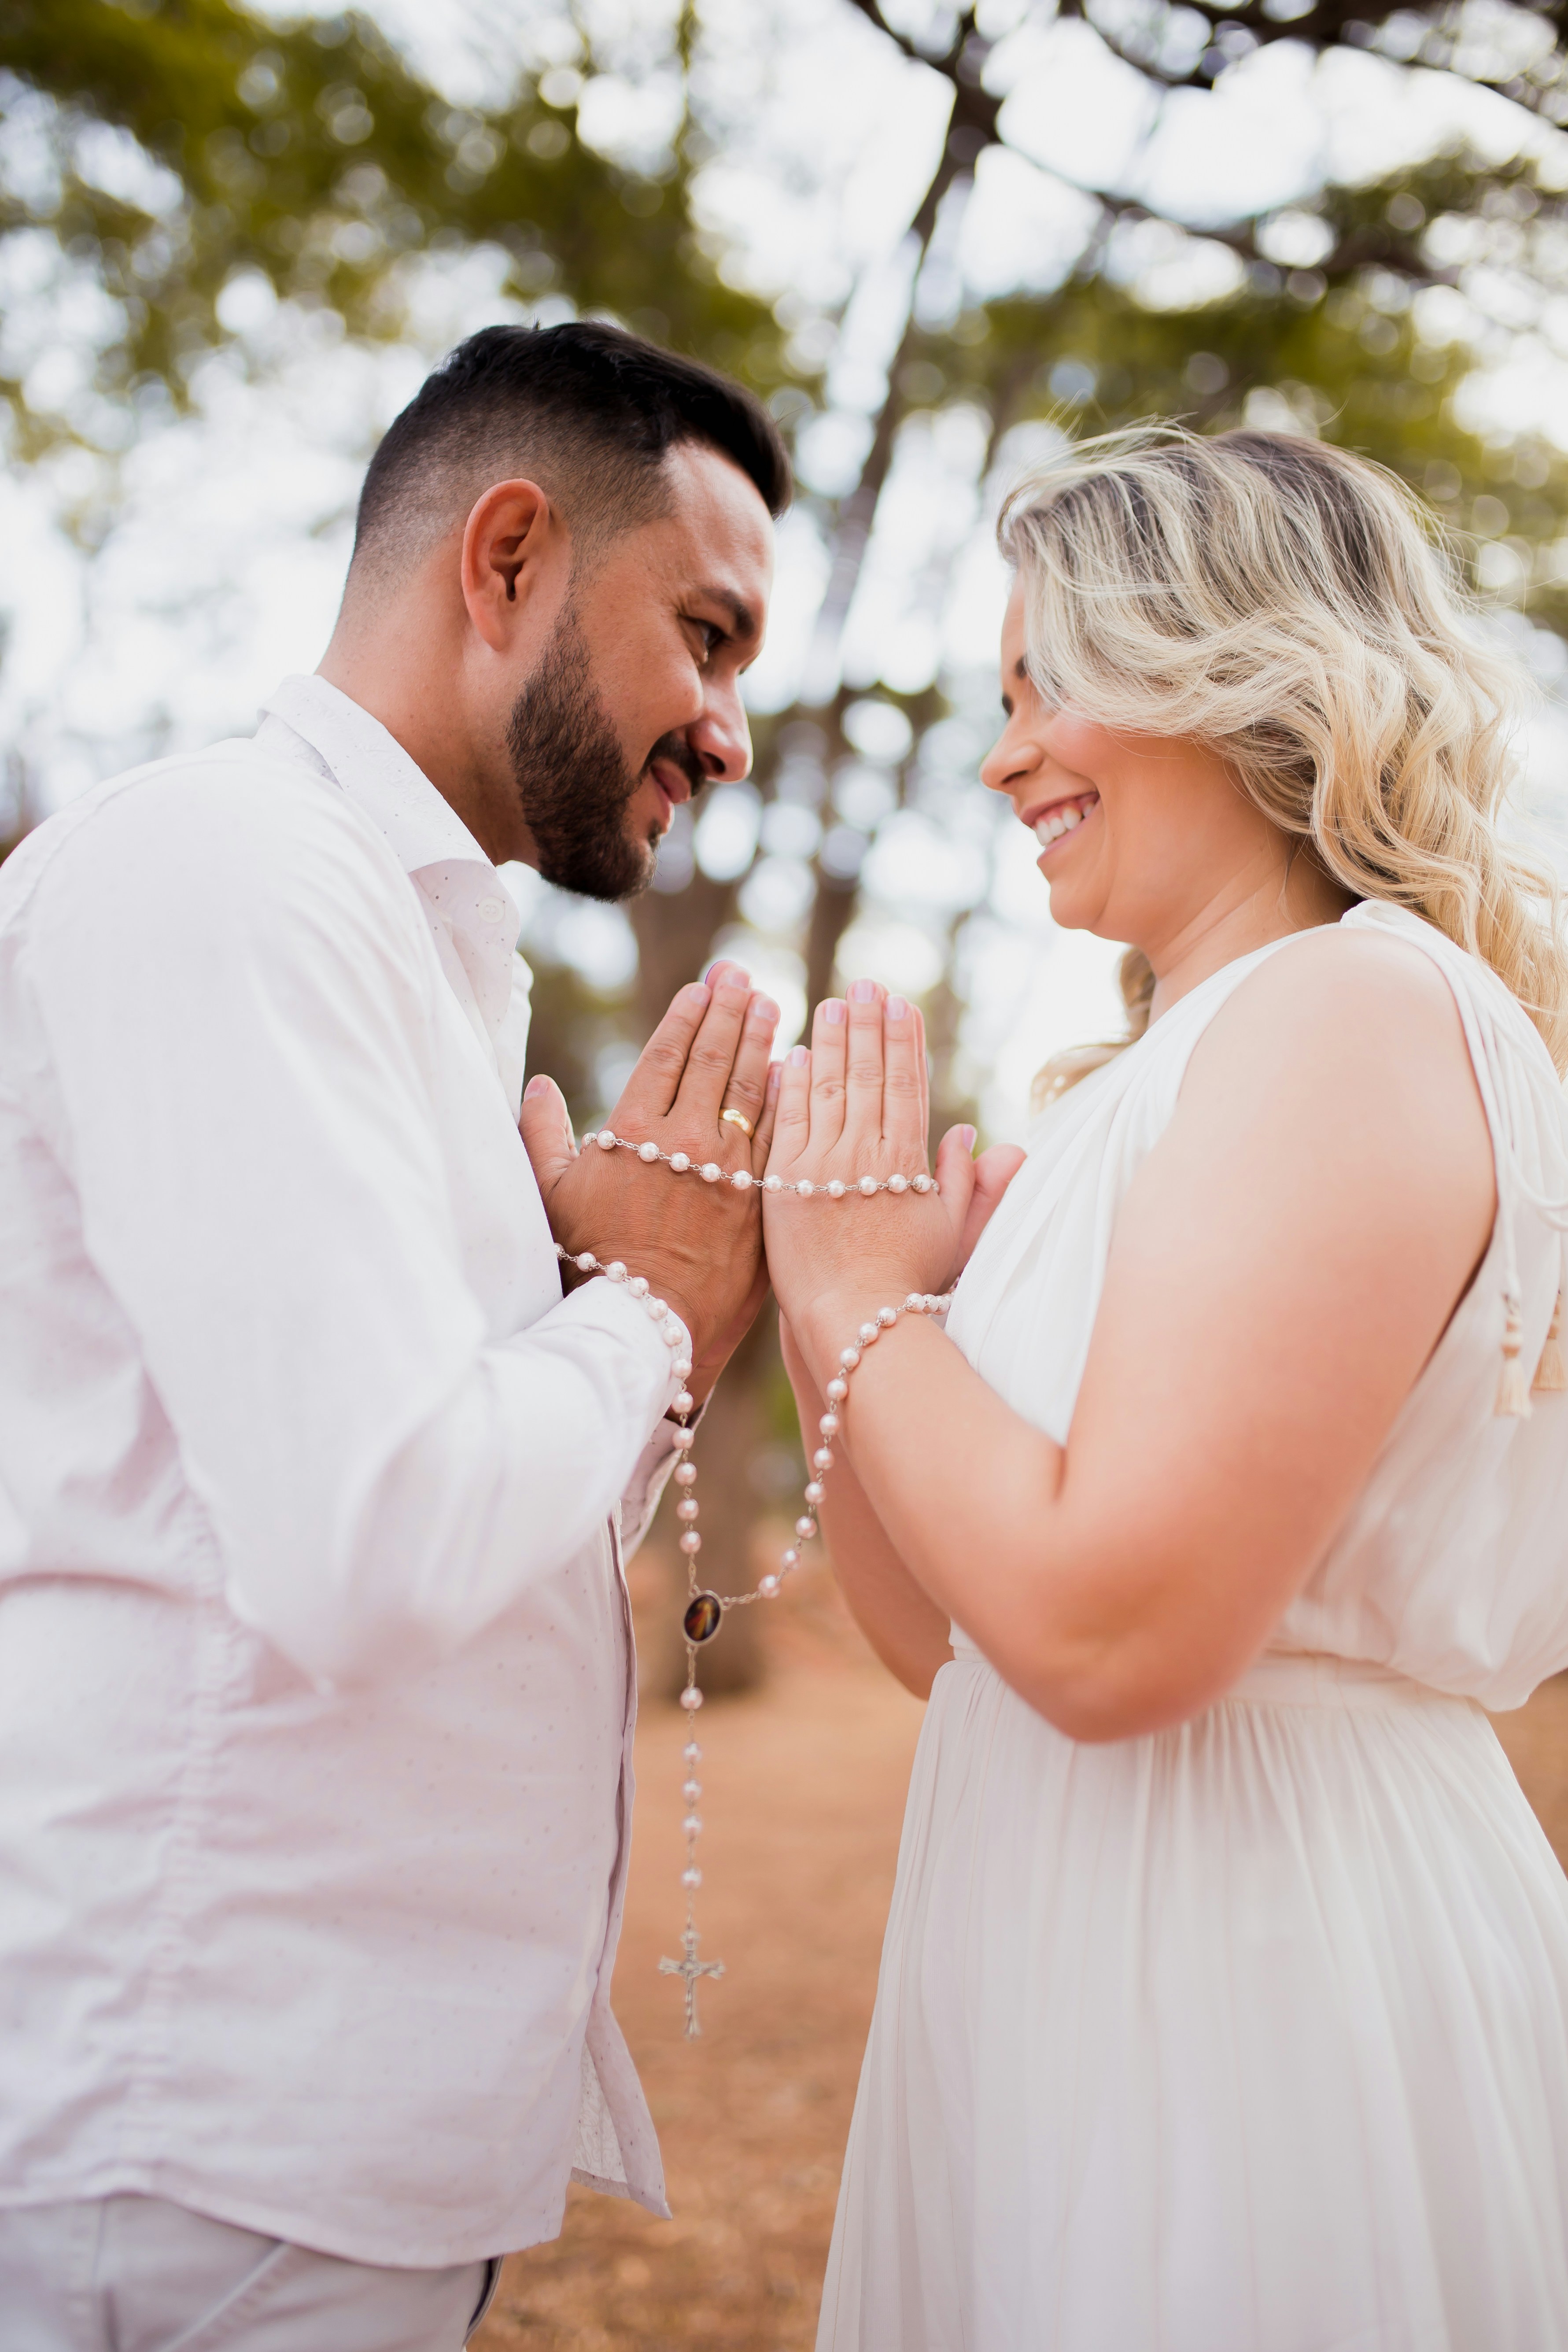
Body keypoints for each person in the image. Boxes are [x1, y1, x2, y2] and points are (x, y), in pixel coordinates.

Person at [0, 321, 790, 2349]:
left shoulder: (426, 964)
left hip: (302, 2142)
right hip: (189, 2134)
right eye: (705, 636)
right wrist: (650, 1308)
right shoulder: (232, 876)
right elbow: (374, 1539)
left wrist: (623, 1332)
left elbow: (442, 1522)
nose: (727, 730)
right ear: (507, 556)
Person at [761, 427, 1568, 2350]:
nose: (1003, 754)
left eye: (1046, 687)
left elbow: (1114, 1634)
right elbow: (943, 1646)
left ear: (1226, 663)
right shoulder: (1147, 1086)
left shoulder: (1352, 1011)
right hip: (1062, 1939)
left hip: (1261, 1962)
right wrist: (851, 1311)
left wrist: (866, 1297)